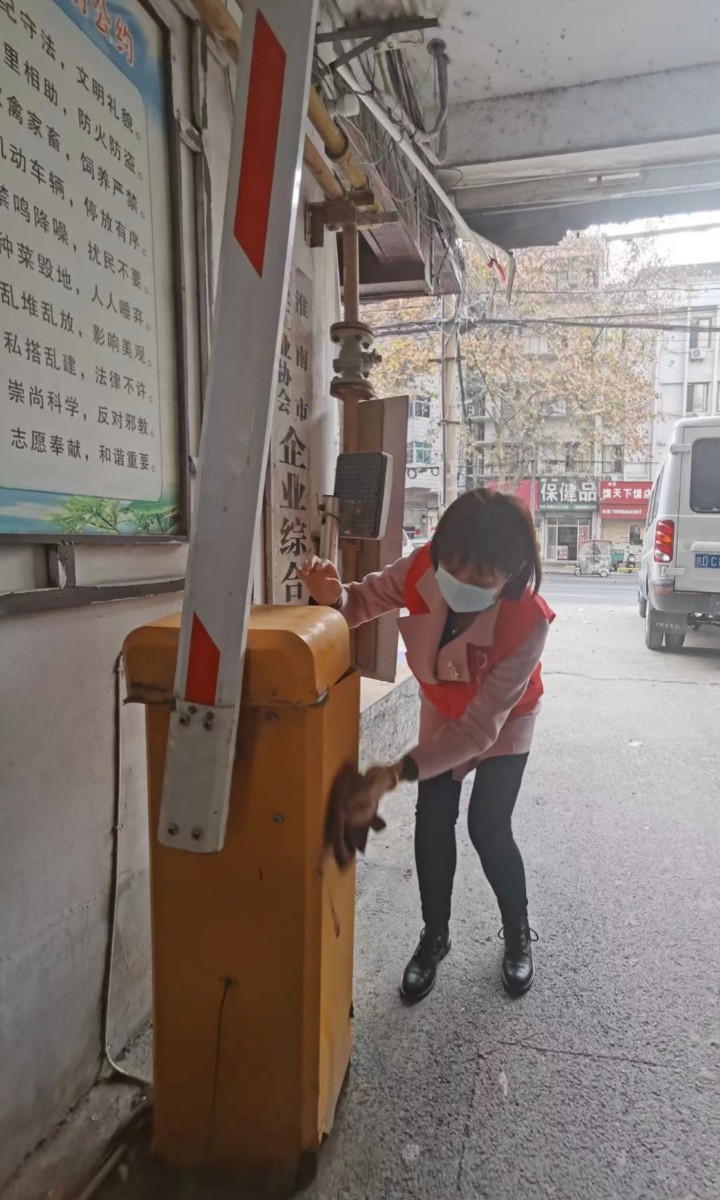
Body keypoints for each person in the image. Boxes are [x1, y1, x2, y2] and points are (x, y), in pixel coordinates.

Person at [299, 488, 555, 1003]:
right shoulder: (421, 566)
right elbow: (359, 602)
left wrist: (391, 773)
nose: (460, 582)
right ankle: (434, 935)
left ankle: (517, 933)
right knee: (433, 819)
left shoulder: (528, 621)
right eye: (453, 567)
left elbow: (479, 730)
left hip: (505, 720)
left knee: (489, 826)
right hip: (442, 703)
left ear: (511, 572)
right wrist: (331, 597)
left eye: (480, 576)